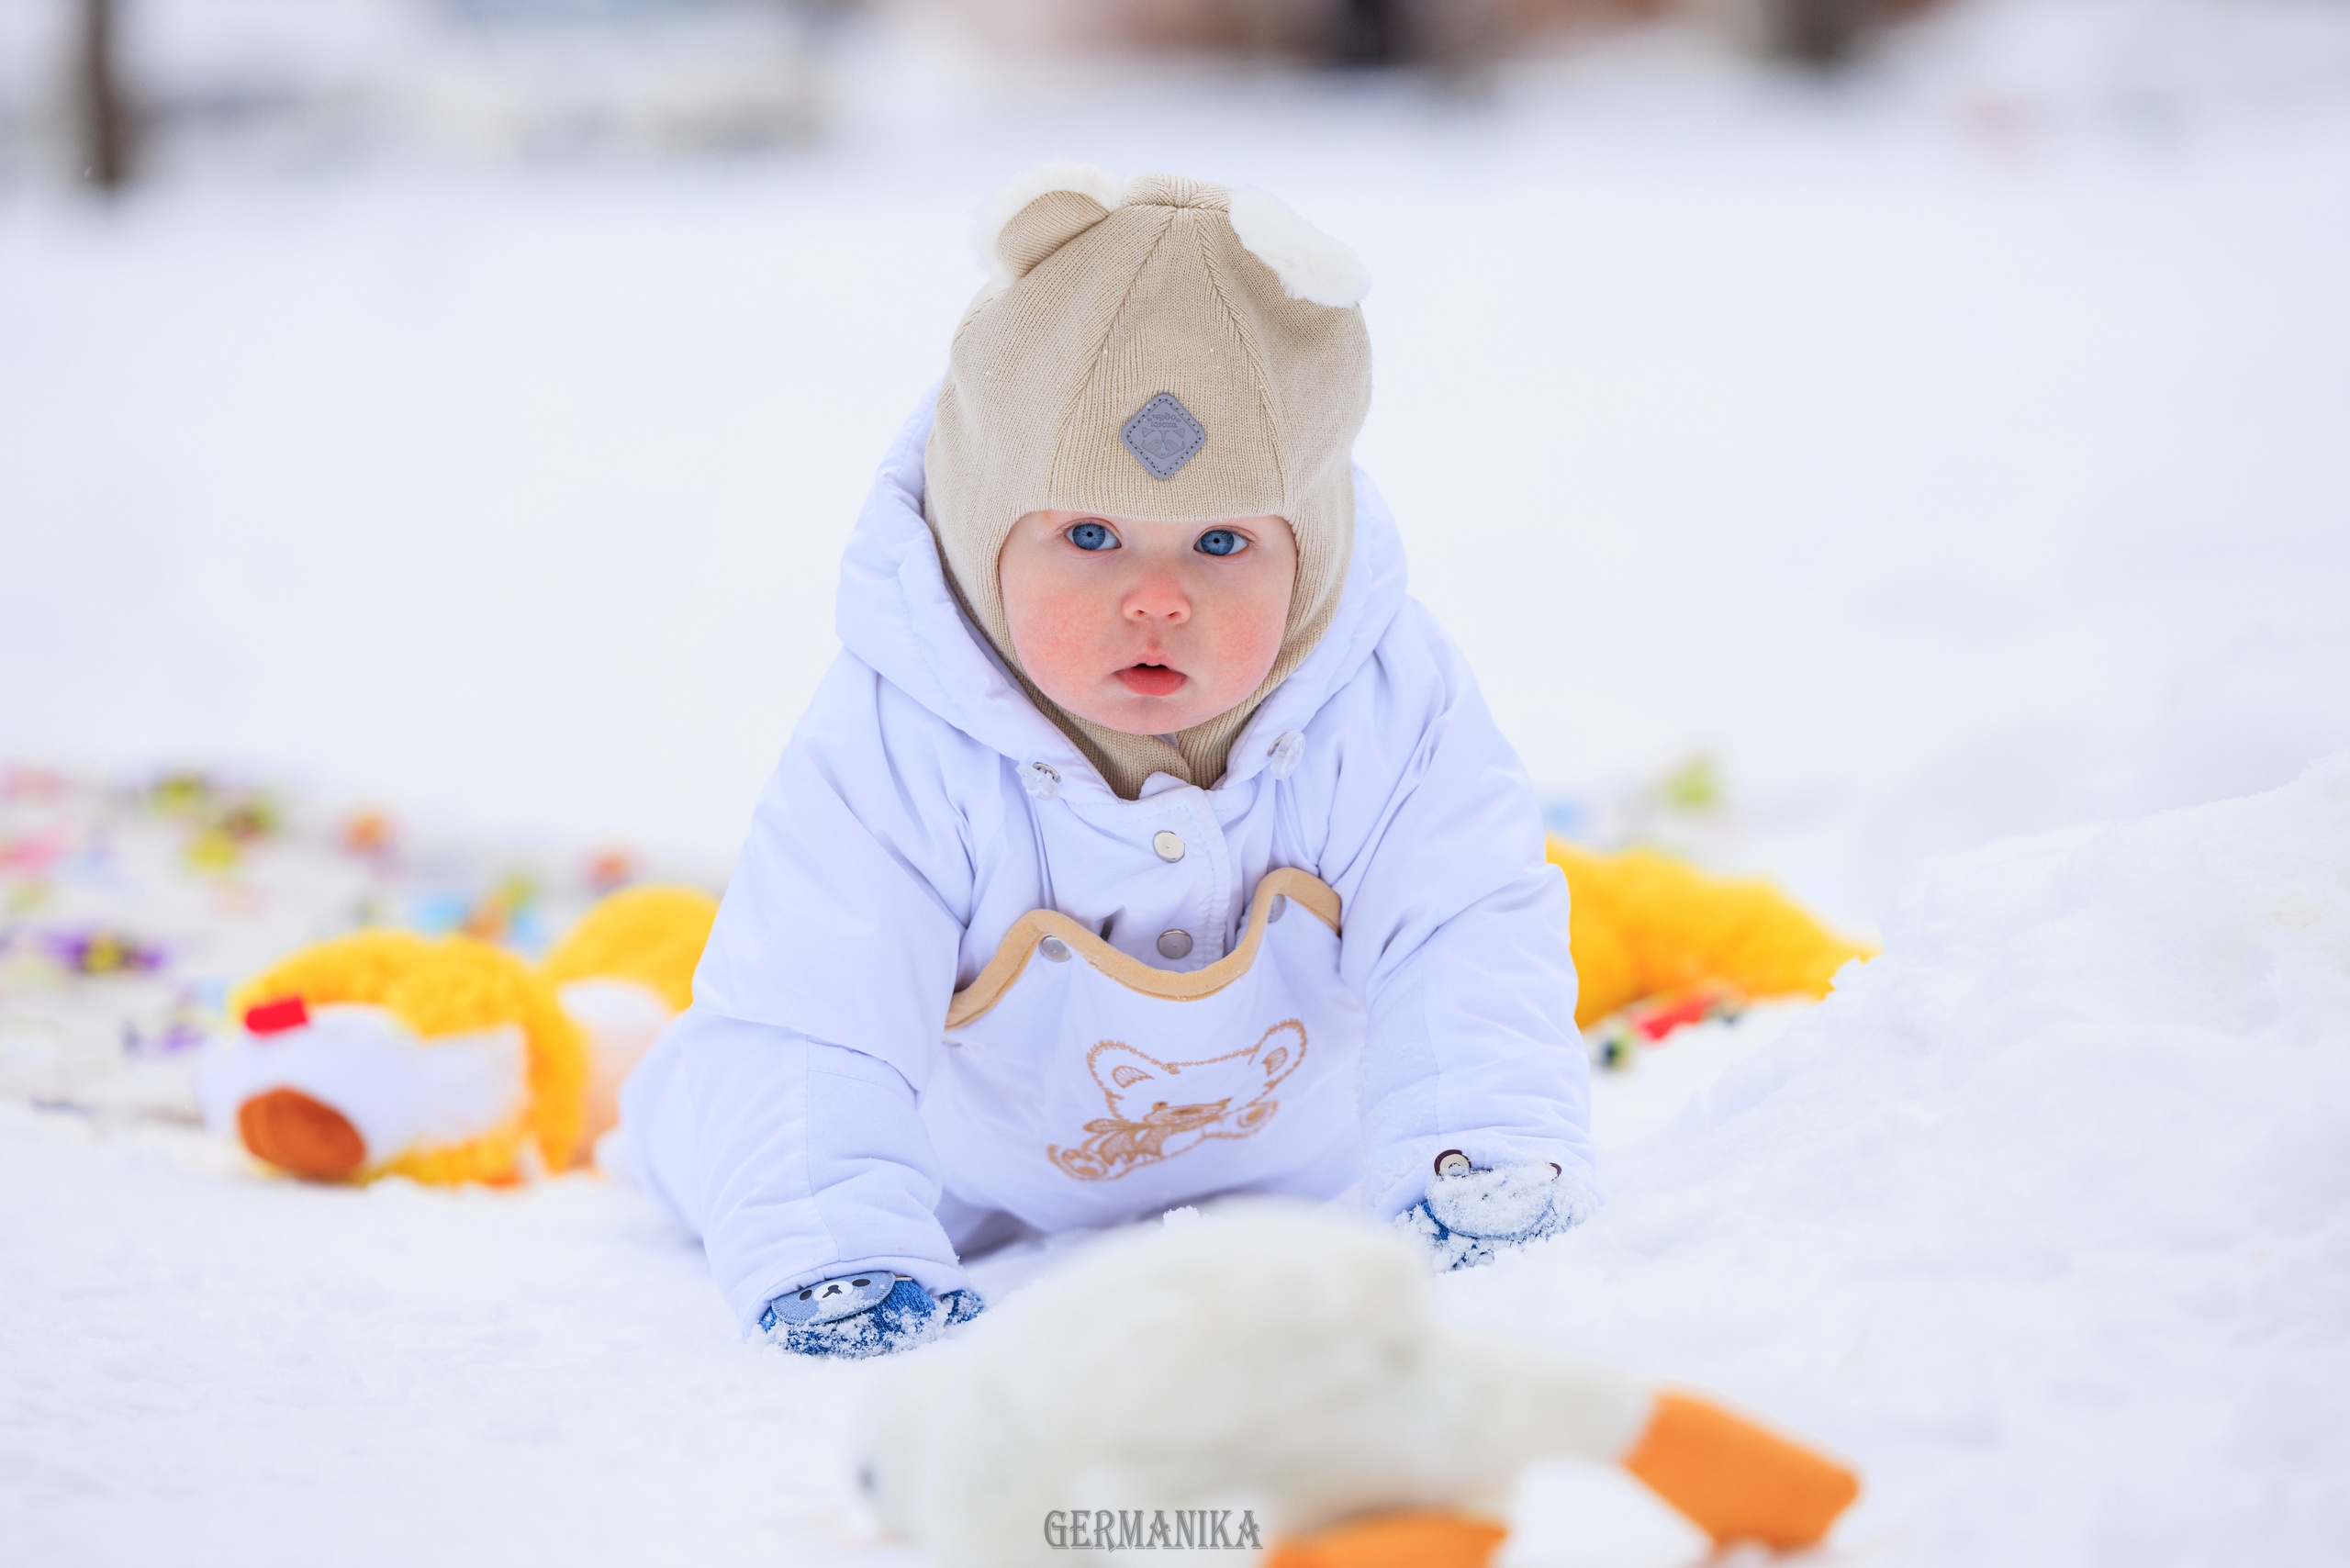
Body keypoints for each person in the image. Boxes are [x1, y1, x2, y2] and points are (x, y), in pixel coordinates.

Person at [620, 166, 1595, 1357]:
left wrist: (1477, 1150)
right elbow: (811, 1012)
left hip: (1300, 1152)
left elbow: (1466, 927)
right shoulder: (897, 740)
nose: (1156, 599)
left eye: (1224, 541)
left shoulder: (1385, 704)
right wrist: (840, 1250)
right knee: (703, 1104)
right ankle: (615, 1067)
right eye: (1089, 534)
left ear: (1315, 551)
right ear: (984, 535)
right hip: (963, 1163)